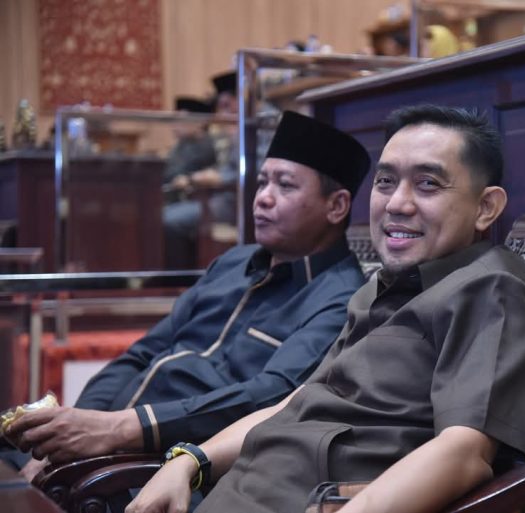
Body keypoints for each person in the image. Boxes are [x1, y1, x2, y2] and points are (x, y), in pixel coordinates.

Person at [126, 104, 525, 513]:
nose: (397, 203)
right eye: (386, 182)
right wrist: (189, 461)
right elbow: (297, 402)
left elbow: (465, 453)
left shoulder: (491, 287)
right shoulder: (379, 288)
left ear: (486, 207)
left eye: (427, 184)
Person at [4, 111, 372, 482]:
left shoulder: (340, 298)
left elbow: (269, 396)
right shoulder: (233, 263)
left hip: (174, 467)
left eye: (286, 186)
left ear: (336, 206)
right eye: (262, 182)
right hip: (108, 440)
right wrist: (77, 428)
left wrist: (121, 429)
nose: (263, 198)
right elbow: (144, 352)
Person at [163, 72, 239, 269]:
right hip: (216, 198)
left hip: (231, 203)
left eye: (225, 106)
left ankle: (177, 277)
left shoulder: (249, 129)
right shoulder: (231, 134)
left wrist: (210, 177)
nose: (221, 115)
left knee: (168, 219)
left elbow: (248, 172)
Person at [163, 96, 217, 205]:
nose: (174, 126)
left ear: (200, 122)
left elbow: (178, 173)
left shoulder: (206, 145)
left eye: (181, 120)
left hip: (193, 200)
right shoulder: (182, 144)